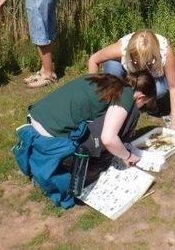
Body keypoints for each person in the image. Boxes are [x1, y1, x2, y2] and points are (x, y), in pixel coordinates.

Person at [12, 70, 157, 209]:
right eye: (144, 104)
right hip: (50, 136)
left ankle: (42, 165)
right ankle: (64, 173)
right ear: (140, 97)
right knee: (130, 116)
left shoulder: (108, 80)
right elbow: (108, 138)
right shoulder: (126, 94)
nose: (142, 107)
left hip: (35, 119)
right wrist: (128, 156)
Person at [87, 29, 175, 131]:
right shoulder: (121, 48)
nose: (140, 64)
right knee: (112, 66)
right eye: (135, 60)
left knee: (160, 90)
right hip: (127, 71)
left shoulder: (165, 53)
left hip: (153, 77)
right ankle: (113, 101)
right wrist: (93, 95)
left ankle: (151, 103)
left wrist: (174, 122)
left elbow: (174, 86)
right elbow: (93, 60)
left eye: (146, 62)